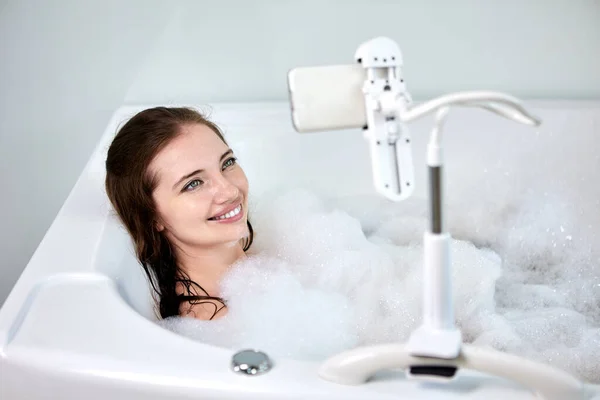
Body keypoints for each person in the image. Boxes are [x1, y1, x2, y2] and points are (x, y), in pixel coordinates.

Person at [105, 106, 254, 321]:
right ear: (152, 216)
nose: (230, 191)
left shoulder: (268, 264)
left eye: (227, 163)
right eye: (193, 183)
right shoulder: (213, 322)